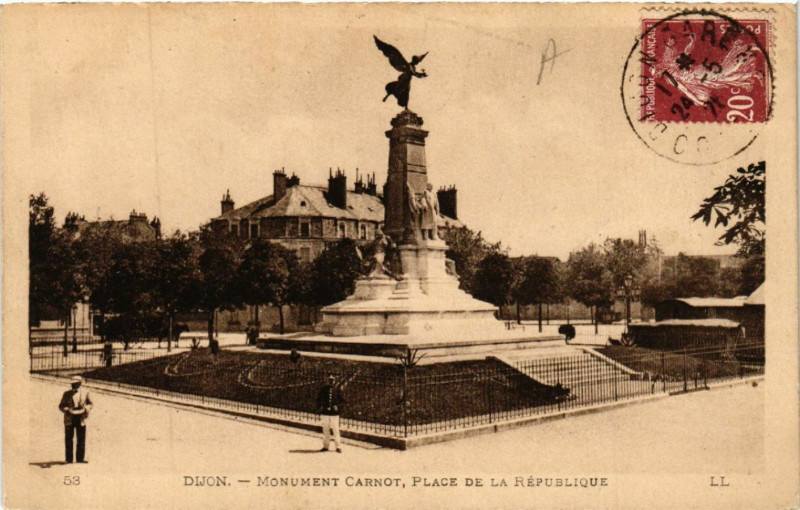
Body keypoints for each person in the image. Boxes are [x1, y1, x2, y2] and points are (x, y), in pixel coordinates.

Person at [58, 375, 93, 464]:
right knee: (69, 438)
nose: (73, 386)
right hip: (70, 417)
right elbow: (61, 405)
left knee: (81, 439)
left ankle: (80, 459)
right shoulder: (66, 394)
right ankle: (68, 459)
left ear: (80, 384)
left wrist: (86, 408)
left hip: (81, 417)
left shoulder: (86, 393)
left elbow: (90, 404)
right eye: (72, 384)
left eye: (76, 384)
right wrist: (66, 409)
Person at [315, 374, 344, 453]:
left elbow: (342, 401)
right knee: (325, 430)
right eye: (329, 380)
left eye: (332, 380)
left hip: (334, 413)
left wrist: (337, 407)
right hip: (325, 412)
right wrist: (320, 407)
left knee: (336, 430)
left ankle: (338, 446)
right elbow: (318, 399)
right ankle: (326, 446)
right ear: (327, 380)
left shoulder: (338, 389)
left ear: (334, 381)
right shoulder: (323, 389)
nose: (331, 381)